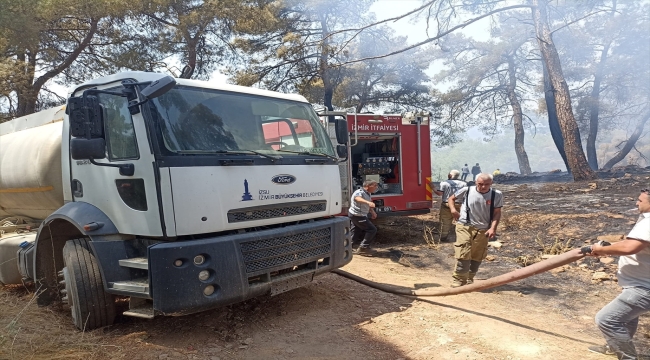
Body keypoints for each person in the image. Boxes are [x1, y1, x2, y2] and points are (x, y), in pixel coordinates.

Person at [584, 189, 650, 359]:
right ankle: (614, 346)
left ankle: (628, 357)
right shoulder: (645, 220)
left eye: (640, 200)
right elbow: (633, 244)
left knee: (606, 319)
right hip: (639, 284)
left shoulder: (649, 222)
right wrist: (608, 248)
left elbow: (630, 247)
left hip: (643, 288)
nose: (637, 203)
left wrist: (601, 249)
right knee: (626, 318)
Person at [447, 173, 503, 287]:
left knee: (477, 254)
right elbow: (451, 198)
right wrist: (453, 210)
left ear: (491, 183)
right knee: (464, 250)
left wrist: (493, 228)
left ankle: (469, 278)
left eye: (486, 184)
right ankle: (458, 279)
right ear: (475, 182)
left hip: (483, 229)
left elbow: (497, 213)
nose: (483, 187)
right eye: (480, 184)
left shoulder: (496, 195)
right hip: (465, 225)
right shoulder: (467, 190)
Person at [431, 170, 466, 242]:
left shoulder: (444, 183)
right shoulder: (464, 184)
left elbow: (439, 194)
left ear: (450, 175)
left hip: (447, 205)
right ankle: (461, 237)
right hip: (460, 205)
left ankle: (443, 237)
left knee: (445, 221)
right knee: (461, 221)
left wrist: (433, 188)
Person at [349, 180, 379, 256]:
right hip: (357, 215)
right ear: (368, 186)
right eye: (374, 185)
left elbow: (367, 203)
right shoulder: (359, 192)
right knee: (372, 229)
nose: (376, 187)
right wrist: (368, 202)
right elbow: (357, 198)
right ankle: (363, 248)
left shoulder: (368, 193)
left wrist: (372, 212)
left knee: (355, 230)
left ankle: (347, 247)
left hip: (357, 215)